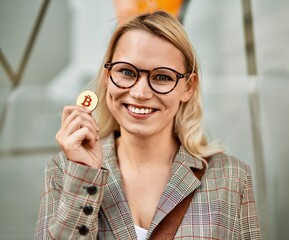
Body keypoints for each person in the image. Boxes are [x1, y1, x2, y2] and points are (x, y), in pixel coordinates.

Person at [34, 10, 261, 239]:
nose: (140, 92)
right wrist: (83, 175)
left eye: (162, 77)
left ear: (188, 87)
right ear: (106, 76)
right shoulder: (64, 170)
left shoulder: (231, 178)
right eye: (126, 71)